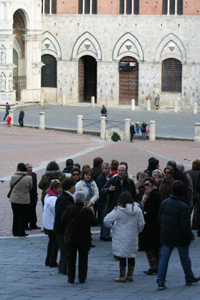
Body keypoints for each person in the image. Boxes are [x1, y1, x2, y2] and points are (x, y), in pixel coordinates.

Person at [156, 180, 200, 290]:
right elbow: (185, 225)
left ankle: (160, 281)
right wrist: (190, 235)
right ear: (182, 191)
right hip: (180, 237)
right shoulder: (183, 206)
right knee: (185, 258)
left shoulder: (164, 202)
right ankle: (189, 277)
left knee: (164, 258)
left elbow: (159, 219)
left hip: (167, 235)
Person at [104, 191, 144, 282]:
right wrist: (138, 231)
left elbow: (106, 220)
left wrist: (111, 227)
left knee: (122, 254)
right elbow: (141, 224)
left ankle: (122, 275)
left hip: (120, 235)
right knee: (131, 255)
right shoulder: (137, 209)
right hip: (133, 234)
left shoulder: (119, 209)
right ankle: (130, 275)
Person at [61, 191, 99, 284]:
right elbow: (95, 222)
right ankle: (82, 277)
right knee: (83, 259)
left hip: (71, 237)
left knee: (70, 258)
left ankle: (71, 278)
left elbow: (63, 220)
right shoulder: (87, 211)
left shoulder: (69, 209)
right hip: (84, 238)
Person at [54, 178, 76, 275]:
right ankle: (64, 268)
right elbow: (60, 212)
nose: (75, 188)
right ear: (69, 187)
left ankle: (61, 267)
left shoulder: (68, 197)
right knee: (65, 249)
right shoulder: (63, 198)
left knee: (65, 248)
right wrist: (70, 216)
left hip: (64, 227)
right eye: (74, 186)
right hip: (61, 228)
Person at [140, 177, 162, 275]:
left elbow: (150, 211)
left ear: (153, 185)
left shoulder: (153, 195)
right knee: (156, 246)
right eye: (145, 185)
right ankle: (158, 266)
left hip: (151, 225)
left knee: (149, 246)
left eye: (148, 184)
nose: (146, 187)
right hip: (155, 225)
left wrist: (145, 215)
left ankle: (153, 267)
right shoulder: (154, 194)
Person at [9, 163, 32, 237]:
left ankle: (15, 231)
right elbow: (30, 188)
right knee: (23, 216)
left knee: (15, 215)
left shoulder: (13, 176)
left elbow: (11, 185)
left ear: (18, 168)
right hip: (24, 199)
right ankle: (21, 232)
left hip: (14, 199)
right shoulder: (29, 178)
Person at [43, 180, 62, 268]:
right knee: (55, 243)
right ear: (54, 188)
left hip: (48, 223)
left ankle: (48, 260)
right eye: (59, 188)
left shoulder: (48, 195)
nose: (61, 189)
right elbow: (56, 212)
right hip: (52, 224)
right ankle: (52, 261)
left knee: (51, 242)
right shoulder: (53, 199)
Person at [96, 162, 112, 241]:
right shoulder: (100, 178)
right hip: (103, 201)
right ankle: (105, 235)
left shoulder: (110, 177)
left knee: (106, 217)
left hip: (108, 201)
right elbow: (101, 190)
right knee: (104, 217)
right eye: (105, 168)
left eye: (108, 168)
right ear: (102, 169)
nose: (107, 170)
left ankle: (105, 234)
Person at [25, 163, 40, 230]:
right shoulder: (24, 176)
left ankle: (33, 224)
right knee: (26, 211)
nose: (30, 169)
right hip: (26, 196)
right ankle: (25, 225)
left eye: (31, 167)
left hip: (33, 196)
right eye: (28, 168)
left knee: (33, 211)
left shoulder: (34, 175)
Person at [188, 159, 200, 232]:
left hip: (190, 195)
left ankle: (187, 224)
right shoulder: (199, 173)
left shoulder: (189, 172)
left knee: (189, 210)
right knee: (196, 213)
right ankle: (194, 227)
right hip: (197, 196)